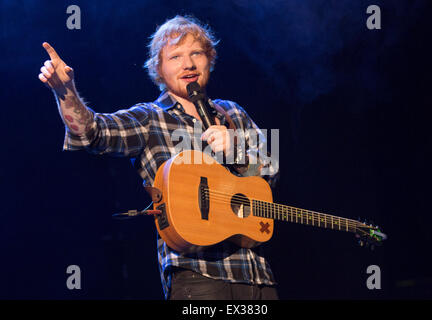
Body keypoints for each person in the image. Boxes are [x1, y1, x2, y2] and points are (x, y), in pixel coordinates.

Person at [38, 15, 279, 300]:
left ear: (209, 59)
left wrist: (236, 150)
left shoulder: (233, 113)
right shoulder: (150, 117)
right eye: (175, 56)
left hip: (257, 276)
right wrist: (65, 92)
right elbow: (92, 133)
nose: (188, 64)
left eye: (196, 53)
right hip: (198, 277)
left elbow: (270, 174)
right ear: (159, 70)